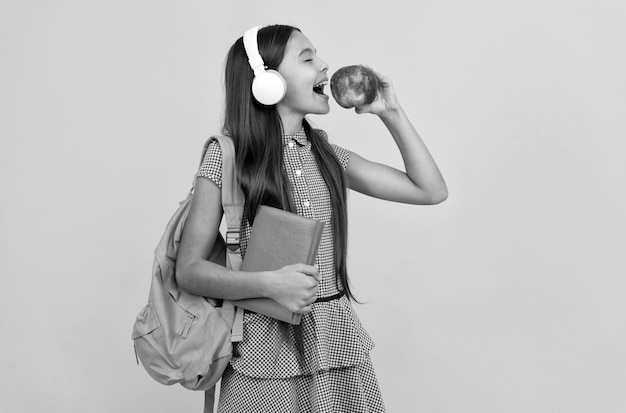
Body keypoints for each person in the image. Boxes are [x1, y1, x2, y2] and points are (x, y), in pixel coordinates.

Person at [176, 24, 447, 413]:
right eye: (307, 58)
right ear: (267, 81)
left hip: (337, 343)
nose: (324, 66)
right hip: (261, 352)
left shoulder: (327, 154)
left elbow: (430, 191)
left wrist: (392, 112)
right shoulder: (227, 158)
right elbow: (188, 270)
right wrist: (269, 283)